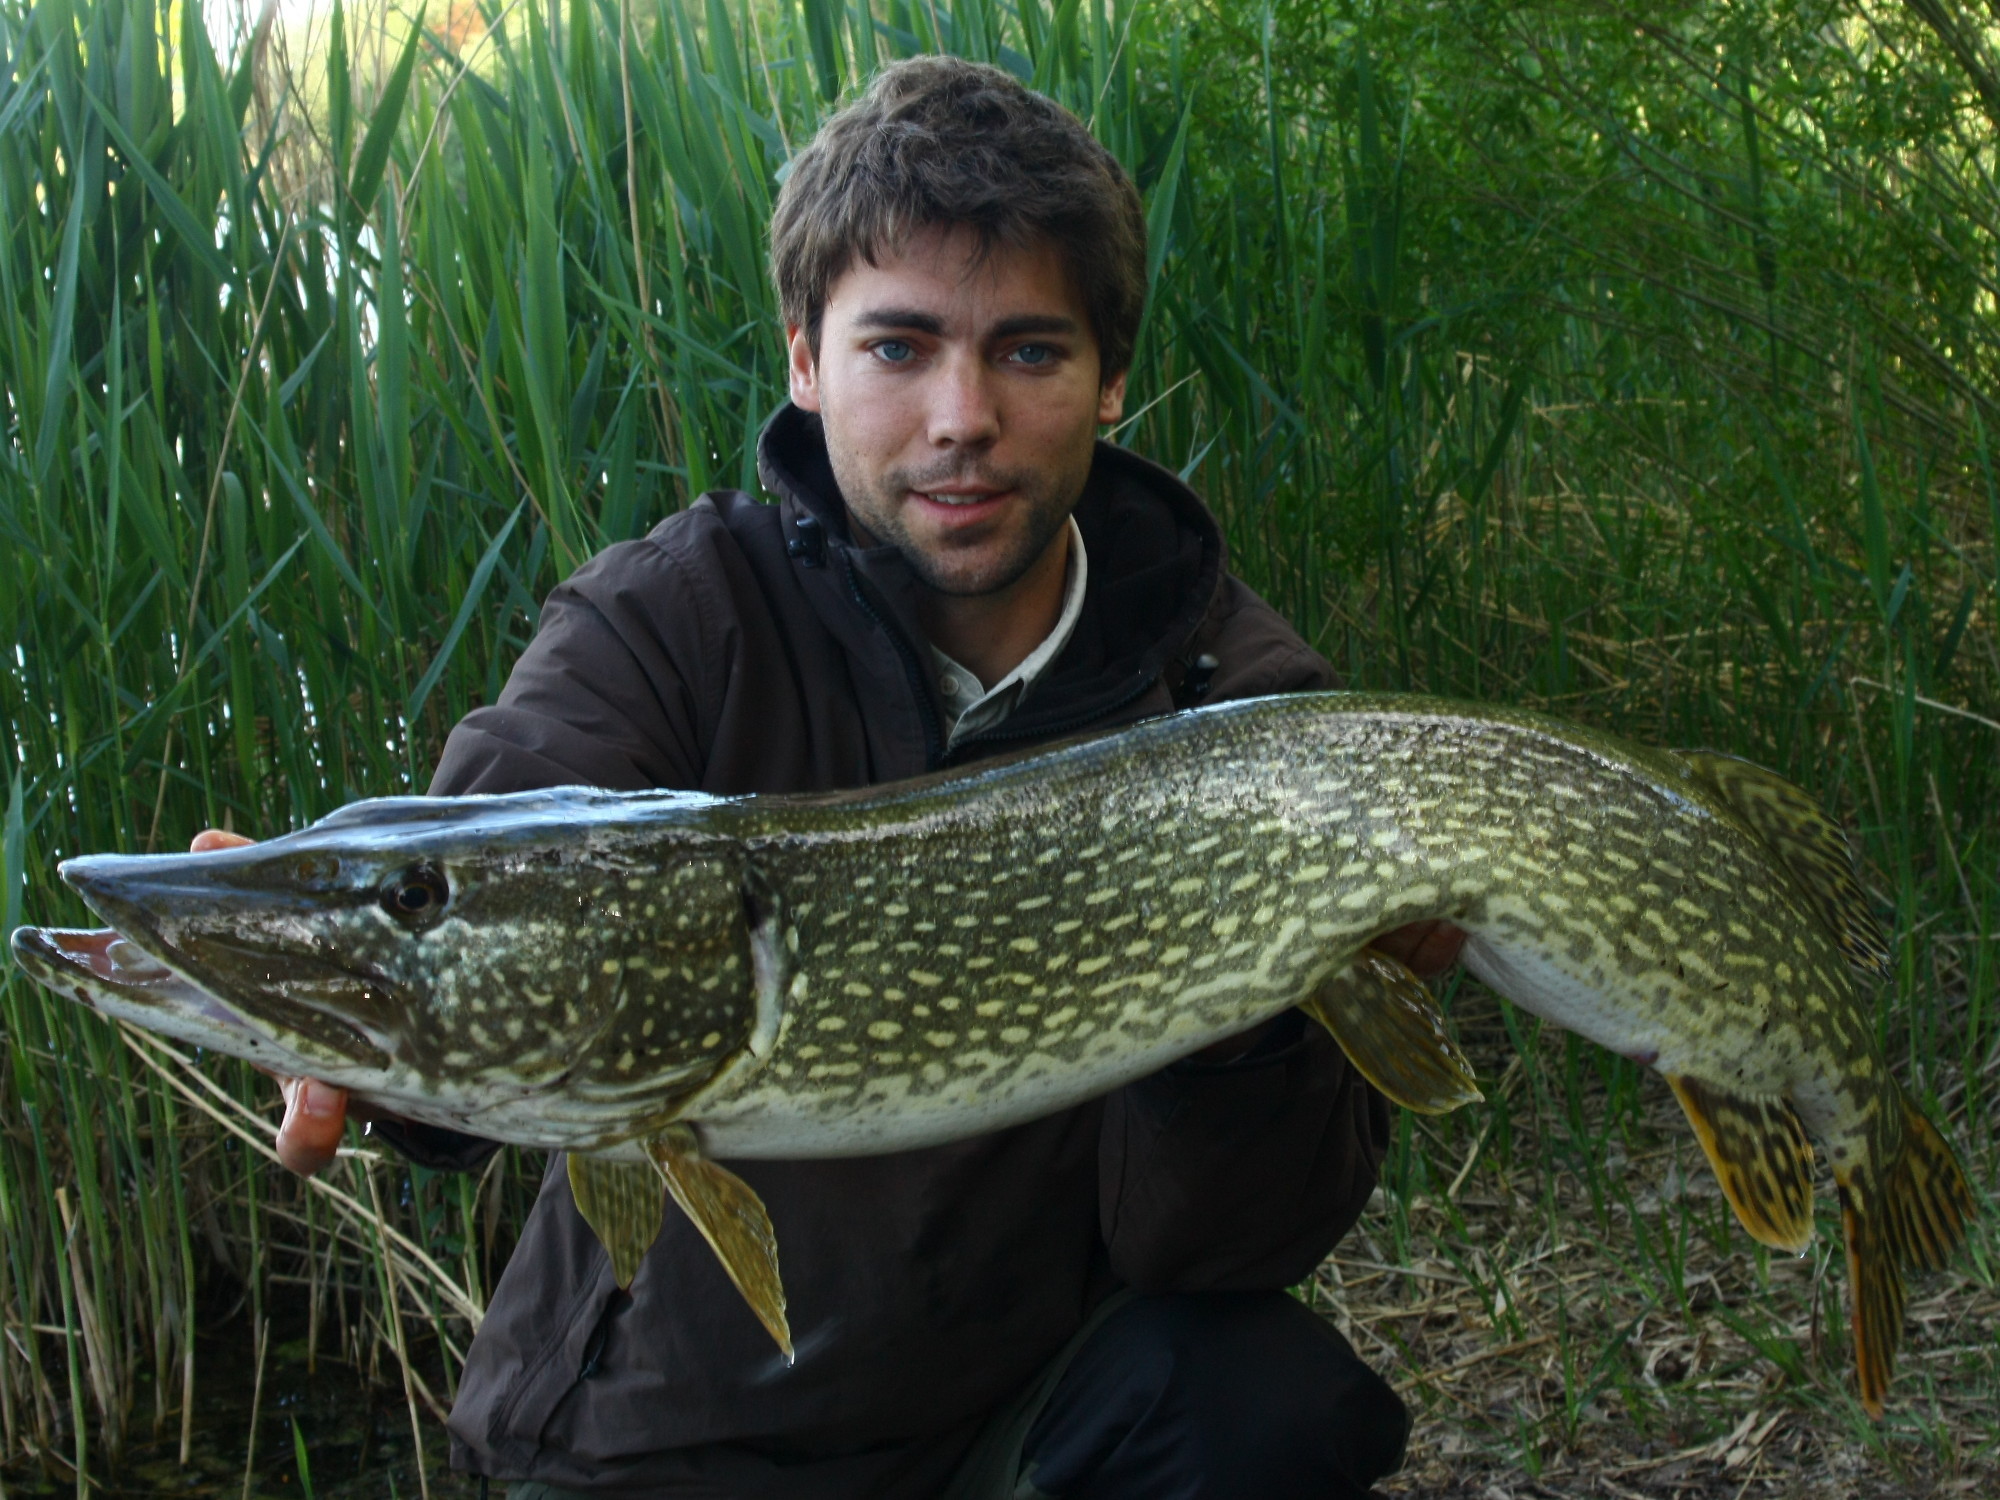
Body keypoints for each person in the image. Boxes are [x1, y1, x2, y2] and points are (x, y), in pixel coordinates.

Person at [213, 55, 1465, 1499]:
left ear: (1111, 377)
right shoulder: (675, 616)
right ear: (805, 360)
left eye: (1029, 352)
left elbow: (1216, 1251)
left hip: (1005, 1415)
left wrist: (1264, 1003)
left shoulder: (1235, 702)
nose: (960, 419)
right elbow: (502, 857)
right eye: (898, 348)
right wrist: (368, 1025)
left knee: (1266, 1412)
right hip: (658, 1448)